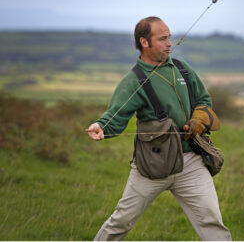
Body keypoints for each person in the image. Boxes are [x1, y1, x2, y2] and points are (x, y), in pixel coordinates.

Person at [86, 16, 232, 241]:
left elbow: (204, 99)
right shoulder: (133, 80)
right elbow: (117, 112)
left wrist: (199, 120)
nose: (169, 43)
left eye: (169, 37)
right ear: (145, 42)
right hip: (152, 164)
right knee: (120, 222)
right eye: (162, 38)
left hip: (191, 161)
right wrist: (101, 126)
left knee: (212, 223)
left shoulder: (183, 69)